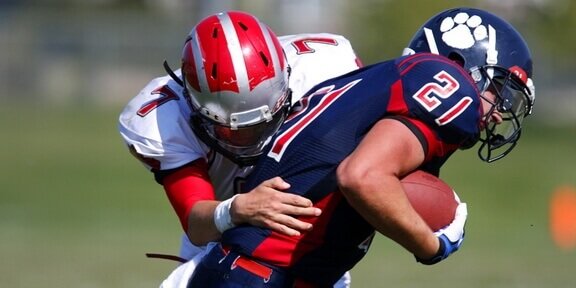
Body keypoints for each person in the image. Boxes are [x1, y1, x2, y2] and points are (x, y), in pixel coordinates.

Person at [186, 7, 536, 287]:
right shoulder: (450, 84)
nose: (501, 113)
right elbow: (362, 177)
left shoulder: (369, 83)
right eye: (500, 89)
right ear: (461, 64)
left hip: (247, 271)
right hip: (260, 276)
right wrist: (433, 246)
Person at [118, 10, 363, 288]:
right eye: (232, 128)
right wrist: (236, 209)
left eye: (263, 122)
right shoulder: (163, 117)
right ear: (192, 101)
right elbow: (197, 223)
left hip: (304, 242)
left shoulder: (325, 69)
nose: (251, 137)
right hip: (217, 237)